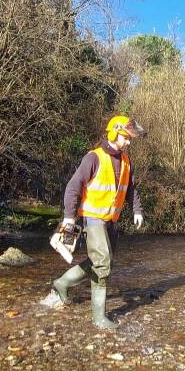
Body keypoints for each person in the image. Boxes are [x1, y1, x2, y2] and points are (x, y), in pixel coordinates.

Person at [39, 116, 145, 330]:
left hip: (111, 220)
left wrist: (137, 210)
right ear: (114, 133)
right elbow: (72, 187)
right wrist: (69, 216)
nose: (129, 142)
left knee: (101, 262)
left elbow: (131, 189)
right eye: (126, 137)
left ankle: (61, 284)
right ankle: (99, 318)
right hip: (93, 218)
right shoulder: (93, 158)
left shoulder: (125, 160)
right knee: (102, 263)